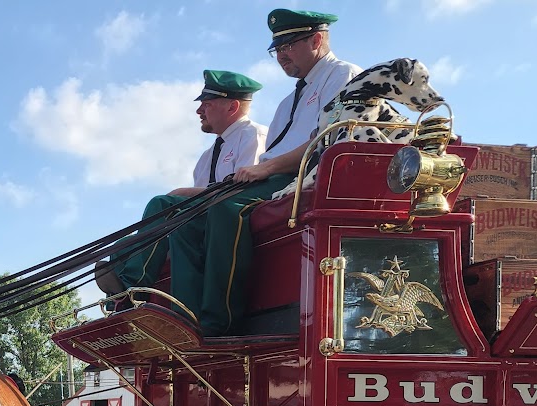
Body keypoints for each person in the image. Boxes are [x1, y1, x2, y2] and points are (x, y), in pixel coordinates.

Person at [158, 9, 360, 337]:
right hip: (276, 175)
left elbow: (325, 142)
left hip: (306, 175)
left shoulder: (343, 74)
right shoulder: (285, 103)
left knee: (227, 209)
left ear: (317, 40)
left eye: (289, 45)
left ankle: (217, 322)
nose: (281, 55)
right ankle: (184, 317)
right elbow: (273, 154)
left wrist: (264, 168)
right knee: (186, 220)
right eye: (277, 49)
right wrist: (263, 168)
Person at [106, 70, 267, 293]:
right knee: (121, 248)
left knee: (161, 204)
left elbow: (242, 190)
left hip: (229, 225)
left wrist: (183, 193)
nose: (199, 110)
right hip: (200, 223)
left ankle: (134, 285)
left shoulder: (255, 135)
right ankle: (124, 303)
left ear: (232, 107)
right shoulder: (205, 157)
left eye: (207, 103)